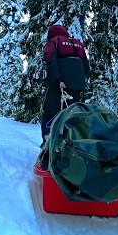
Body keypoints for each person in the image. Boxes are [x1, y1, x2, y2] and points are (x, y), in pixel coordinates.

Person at [38, 23, 90, 167]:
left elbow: (49, 58)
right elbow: (86, 67)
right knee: (70, 117)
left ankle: (48, 147)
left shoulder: (53, 42)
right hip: (76, 87)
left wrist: (57, 78)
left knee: (49, 115)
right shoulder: (77, 44)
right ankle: (69, 151)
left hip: (59, 85)